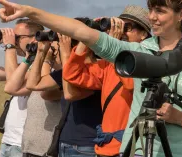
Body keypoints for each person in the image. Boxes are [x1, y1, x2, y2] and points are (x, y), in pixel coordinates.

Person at [0, 0, 182, 157]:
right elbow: (82, 32)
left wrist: (179, 118)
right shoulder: (136, 51)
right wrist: (31, 12)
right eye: (151, 9)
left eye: (160, 11)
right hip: (135, 150)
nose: (153, 17)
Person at [62, 5, 151, 157]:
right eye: (118, 25)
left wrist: (114, 48)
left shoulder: (149, 61)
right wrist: (86, 36)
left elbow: (131, 85)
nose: (121, 31)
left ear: (143, 34)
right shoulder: (108, 65)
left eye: (127, 27)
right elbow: (72, 74)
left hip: (130, 147)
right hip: (105, 146)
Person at [0, 18, 61, 157]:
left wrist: (9, 48)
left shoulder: (46, 69)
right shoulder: (24, 66)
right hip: (8, 141)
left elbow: (12, 83)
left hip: (25, 144)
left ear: (36, 37)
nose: (13, 40)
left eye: (17, 37)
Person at [25, 34, 103, 157]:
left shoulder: (99, 70)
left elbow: (70, 94)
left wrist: (66, 54)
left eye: (70, 44)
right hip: (65, 142)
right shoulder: (69, 70)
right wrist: (41, 52)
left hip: (87, 145)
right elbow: (33, 84)